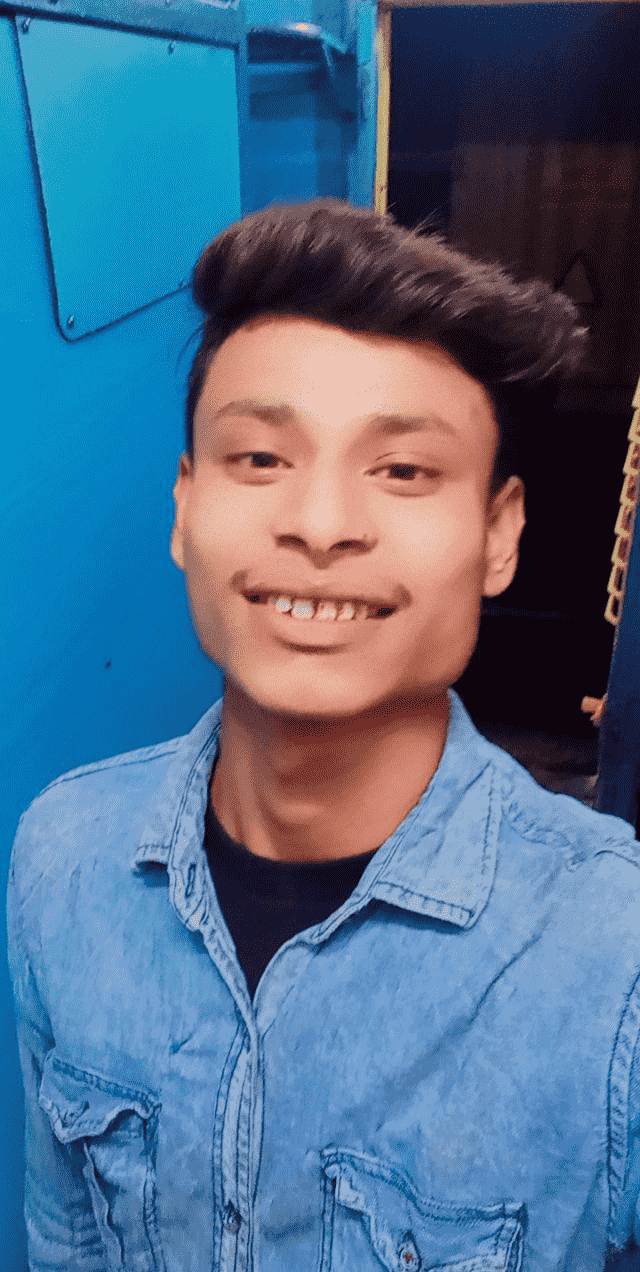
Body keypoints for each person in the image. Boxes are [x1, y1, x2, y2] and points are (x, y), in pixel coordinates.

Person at [7, 198, 640, 1272]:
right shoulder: (62, 858)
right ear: (184, 507)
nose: (321, 524)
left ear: (499, 534)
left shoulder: (610, 955)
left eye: (403, 471)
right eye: (261, 458)